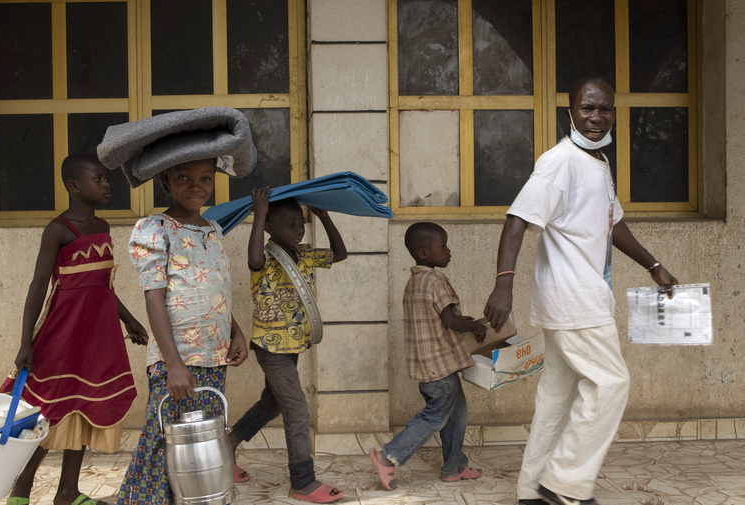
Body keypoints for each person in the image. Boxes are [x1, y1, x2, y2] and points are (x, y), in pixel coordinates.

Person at [483, 77, 679, 505]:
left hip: (582, 296)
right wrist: (503, 285)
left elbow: (613, 223)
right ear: (569, 110)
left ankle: (531, 489)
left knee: (556, 398)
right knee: (612, 383)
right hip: (574, 299)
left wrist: (654, 265)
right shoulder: (559, 162)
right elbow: (517, 219)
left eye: (604, 109)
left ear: (613, 113)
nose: (596, 117)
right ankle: (565, 481)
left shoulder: (598, 162)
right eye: (587, 108)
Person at [1, 153, 149, 505]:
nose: (106, 183)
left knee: (85, 408)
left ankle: (67, 492)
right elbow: (38, 286)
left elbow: (102, 287)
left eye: (106, 178)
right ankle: (21, 487)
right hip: (62, 335)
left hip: (96, 337)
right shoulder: (58, 230)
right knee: (49, 413)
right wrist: (26, 342)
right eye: (98, 178)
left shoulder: (103, 227)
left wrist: (128, 319)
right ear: (73, 186)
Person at [115, 158, 249, 505]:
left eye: (205, 178)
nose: (196, 186)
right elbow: (154, 300)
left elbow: (215, 290)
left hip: (213, 355)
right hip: (177, 359)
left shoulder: (213, 230)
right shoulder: (155, 229)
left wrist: (236, 331)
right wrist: (174, 365)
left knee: (198, 441)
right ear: (165, 179)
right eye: (183, 178)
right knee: (162, 439)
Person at [226, 187, 347, 503]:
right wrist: (259, 213)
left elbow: (340, 253)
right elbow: (252, 257)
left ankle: (226, 447)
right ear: (269, 228)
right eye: (290, 224)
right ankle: (303, 482)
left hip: (293, 345)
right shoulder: (265, 257)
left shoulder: (305, 253)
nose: (298, 229)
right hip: (270, 346)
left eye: (301, 223)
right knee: (296, 409)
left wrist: (324, 216)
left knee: (273, 403)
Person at [368, 222, 487, 491]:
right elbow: (448, 318)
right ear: (423, 253)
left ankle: (454, 466)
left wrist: (460, 320)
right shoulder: (435, 280)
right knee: (436, 416)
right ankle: (389, 456)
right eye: (443, 246)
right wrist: (475, 326)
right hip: (440, 365)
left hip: (430, 365)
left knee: (457, 413)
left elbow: (438, 318)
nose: (448, 251)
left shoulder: (415, 281)